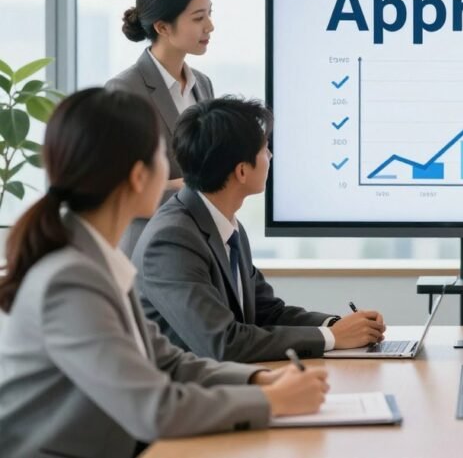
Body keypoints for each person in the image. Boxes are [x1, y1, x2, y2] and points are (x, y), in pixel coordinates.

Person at [0, 89, 327, 458]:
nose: (176, 172)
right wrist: (271, 400)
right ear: (139, 176)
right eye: (161, 156)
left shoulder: (95, 262)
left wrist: (260, 379)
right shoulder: (70, 280)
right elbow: (154, 409)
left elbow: (167, 362)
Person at [132, 97, 386, 362]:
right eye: (265, 149)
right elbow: (224, 343)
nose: (271, 156)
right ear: (242, 171)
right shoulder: (171, 240)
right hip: (189, 386)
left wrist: (337, 326)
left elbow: (267, 312)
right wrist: (332, 337)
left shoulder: (226, 226)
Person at [107, 0, 217, 257]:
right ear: (163, 27)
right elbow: (119, 191)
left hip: (198, 248)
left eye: (209, 14)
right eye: (198, 18)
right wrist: (196, 187)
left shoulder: (202, 85)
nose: (210, 26)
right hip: (147, 251)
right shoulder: (124, 90)